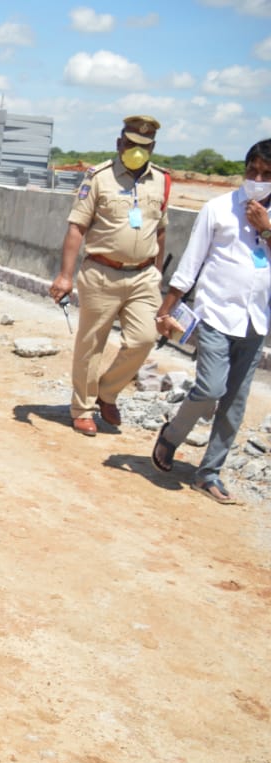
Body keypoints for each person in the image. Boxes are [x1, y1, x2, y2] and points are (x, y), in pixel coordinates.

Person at [150, 139, 271, 504]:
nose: (258, 178)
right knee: (212, 387)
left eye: (267, 174)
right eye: (253, 171)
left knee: (235, 403)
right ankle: (171, 436)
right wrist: (167, 308)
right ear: (244, 169)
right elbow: (191, 262)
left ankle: (209, 473)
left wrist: (265, 229)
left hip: (256, 321)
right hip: (216, 315)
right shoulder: (217, 208)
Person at [48, 115, 170, 437]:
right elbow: (77, 227)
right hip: (102, 271)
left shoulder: (162, 181)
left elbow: (160, 230)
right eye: (130, 144)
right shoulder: (98, 177)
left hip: (143, 275)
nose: (136, 151)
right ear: (119, 144)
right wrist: (65, 276)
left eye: (144, 147)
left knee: (144, 338)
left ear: (153, 148)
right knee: (91, 344)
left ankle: (107, 392)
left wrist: (157, 273)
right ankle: (83, 408)